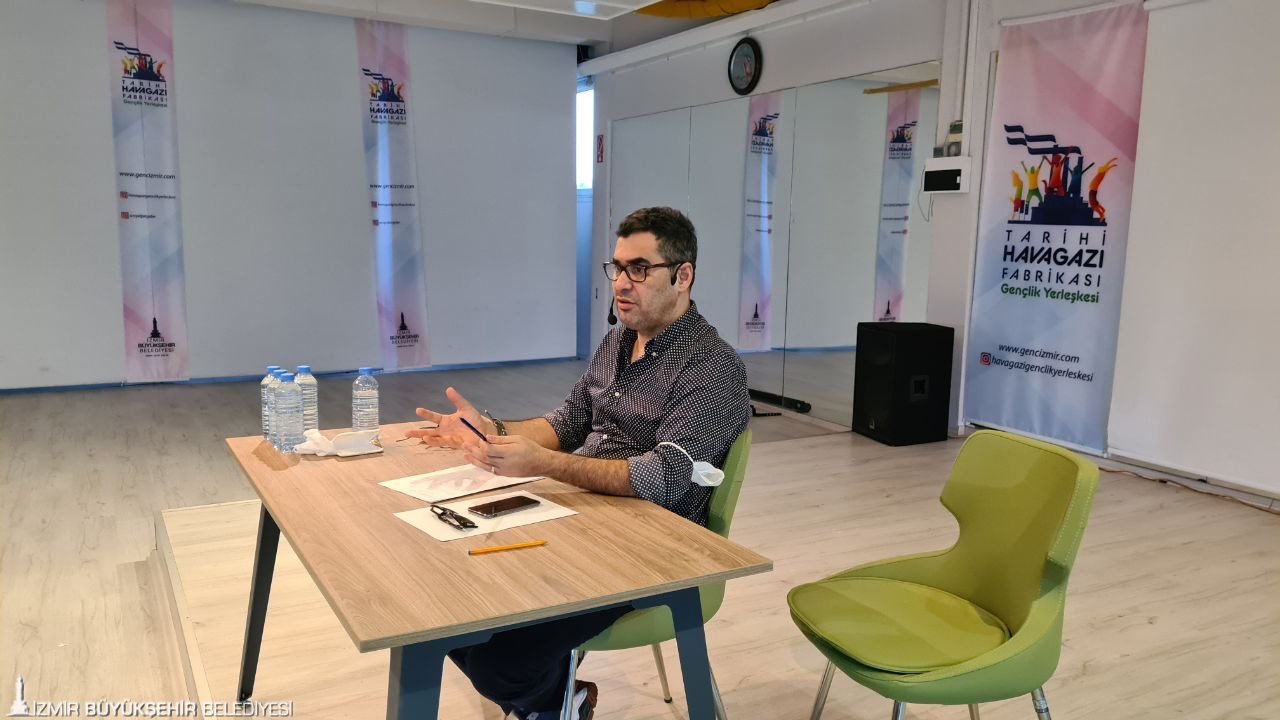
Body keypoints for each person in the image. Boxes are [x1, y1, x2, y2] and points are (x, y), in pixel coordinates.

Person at [405, 206, 751, 720]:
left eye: (640, 269)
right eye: (618, 267)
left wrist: (545, 464)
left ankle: (552, 703)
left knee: (501, 663)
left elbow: (662, 479)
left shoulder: (712, 368)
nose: (621, 284)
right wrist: (488, 430)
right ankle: (557, 700)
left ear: (683, 276)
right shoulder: (618, 341)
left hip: (652, 549)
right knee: (442, 602)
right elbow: (567, 422)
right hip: (585, 517)